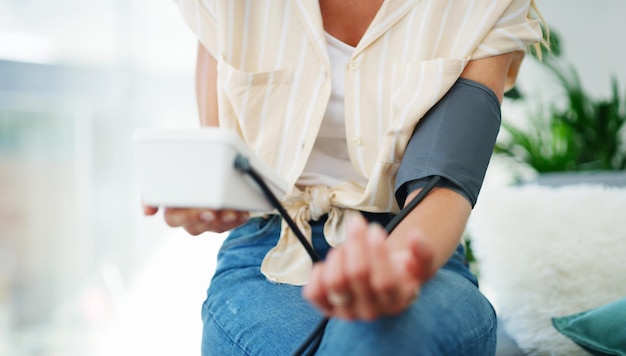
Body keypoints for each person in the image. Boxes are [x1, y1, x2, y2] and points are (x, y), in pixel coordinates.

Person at [144, 1, 545, 354]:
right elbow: (225, 163)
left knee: (377, 337)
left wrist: (394, 264)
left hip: (419, 248)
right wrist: (210, 202)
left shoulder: (481, 6)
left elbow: (442, 180)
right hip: (270, 251)